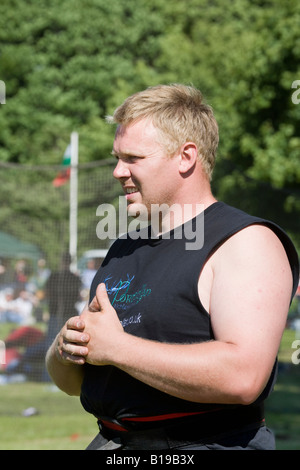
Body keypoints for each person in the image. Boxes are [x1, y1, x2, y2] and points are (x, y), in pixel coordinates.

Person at [46, 84, 299, 450]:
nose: (118, 171)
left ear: (186, 157)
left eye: (133, 158)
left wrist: (118, 348)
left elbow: (244, 377)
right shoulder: (122, 248)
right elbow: (74, 383)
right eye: (117, 157)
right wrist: (65, 346)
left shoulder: (245, 241)